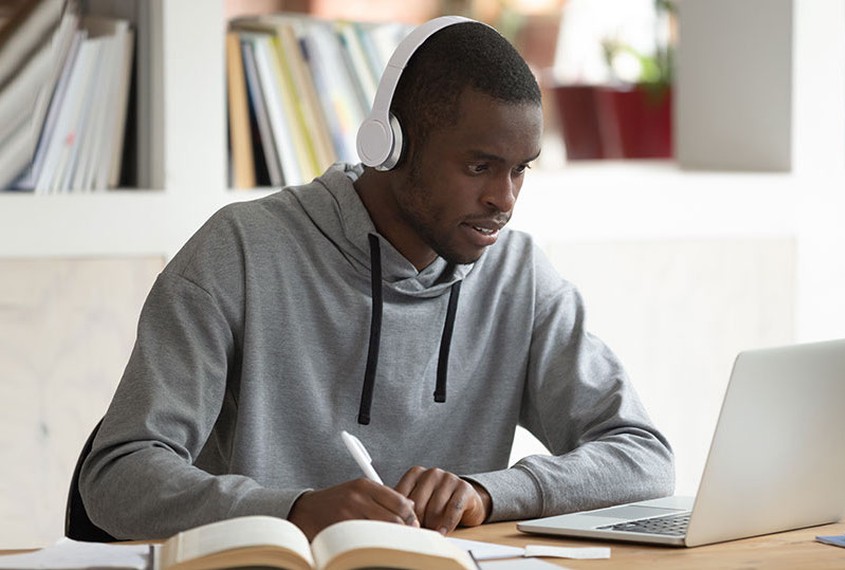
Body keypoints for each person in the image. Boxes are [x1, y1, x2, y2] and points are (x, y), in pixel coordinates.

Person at [79, 17, 674, 541]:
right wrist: (294, 511)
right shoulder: (238, 252)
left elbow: (643, 456)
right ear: (391, 145)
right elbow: (117, 474)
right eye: (479, 166)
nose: (505, 199)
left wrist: (486, 493)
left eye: (521, 170)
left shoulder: (520, 278)